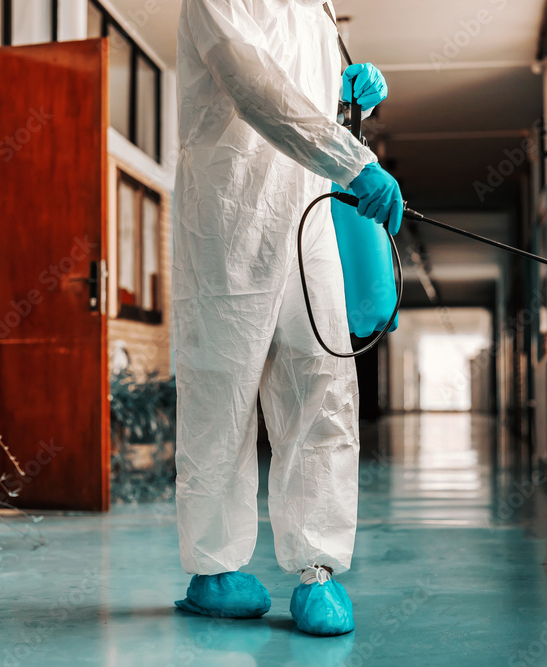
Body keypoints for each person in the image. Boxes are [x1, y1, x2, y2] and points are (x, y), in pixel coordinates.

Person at [172, 0, 403, 636]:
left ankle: (318, 571)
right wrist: (351, 158)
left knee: (321, 381)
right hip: (228, 212)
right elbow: (253, 85)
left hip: (310, 214)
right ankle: (213, 570)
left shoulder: (320, 8)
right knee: (221, 391)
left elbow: (298, 95)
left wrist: (342, 99)